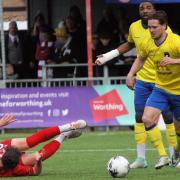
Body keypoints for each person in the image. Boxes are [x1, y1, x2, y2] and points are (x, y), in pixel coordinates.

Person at [95, 0, 176, 169]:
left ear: (155, 11)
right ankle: (142, 158)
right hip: (143, 80)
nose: (145, 11)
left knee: (169, 118)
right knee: (140, 117)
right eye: (142, 8)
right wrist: (109, 56)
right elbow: (131, 45)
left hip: (163, 81)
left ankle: (173, 156)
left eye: (149, 8)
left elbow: (170, 50)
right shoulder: (134, 27)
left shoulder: (165, 31)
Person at [126, 10, 180, 168]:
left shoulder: (176, 41)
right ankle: (163, 156)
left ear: (164, 26)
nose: (151, 30)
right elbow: (140, 59)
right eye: (149, 27)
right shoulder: (147, 42)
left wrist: (173, 61)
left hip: (178, 90)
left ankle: (176, 153)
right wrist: (130, 74)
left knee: (178, 130)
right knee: (146, 118)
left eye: (154, 27)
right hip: (161, 89)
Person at [0, 115, 87, 176]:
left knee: (30, 141)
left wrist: (1, 124)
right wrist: (38, 162)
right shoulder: (15, 169)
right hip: (11, 163)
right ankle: (63, 136)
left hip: (9, 154)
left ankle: (69, 126)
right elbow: (35, 171)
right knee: (37, 157)